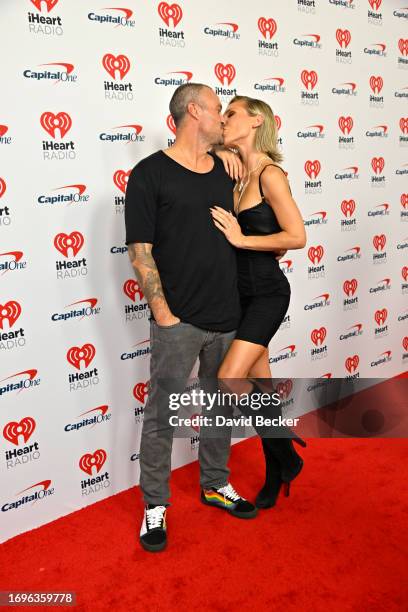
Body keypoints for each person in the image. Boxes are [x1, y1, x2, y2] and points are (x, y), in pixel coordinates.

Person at [124, 83, 258, 553]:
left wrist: (228, 148)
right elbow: (139, 251)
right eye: (218, 110)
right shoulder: (148, 174)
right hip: (178, 321)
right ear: (194, 110)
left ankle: (214, 483)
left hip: (227, 313)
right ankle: (155, 504)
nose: (223, 117)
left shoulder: (224, 167)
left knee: (221, 406)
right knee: (163, 413)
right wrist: (163, 314)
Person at [209, 95, 307, 509]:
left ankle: (284, 452)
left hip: (267, 292)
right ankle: (278, 465)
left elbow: (297, 236)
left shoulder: (269, 174)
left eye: (230, 113)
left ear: (255, 121)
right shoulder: (235, 171)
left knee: (231, 377)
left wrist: (243, 239)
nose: (222, 118)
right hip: (239, 295)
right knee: (262, 387)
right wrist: (217, 148)